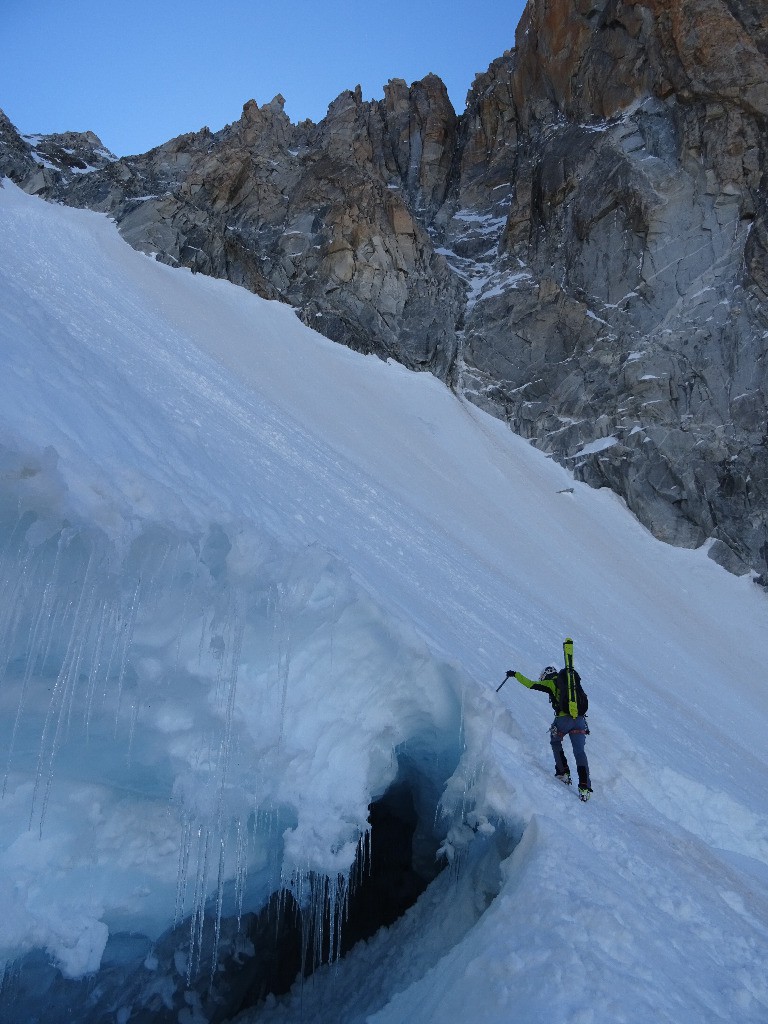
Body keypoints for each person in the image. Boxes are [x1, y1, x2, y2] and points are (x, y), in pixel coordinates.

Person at [504, 657, 593, 801]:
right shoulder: (572, 683)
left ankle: (563, 772)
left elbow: (530, 684)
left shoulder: (551, 683)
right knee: (580, 752)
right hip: (580, 720)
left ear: (546, 675)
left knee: (556, 741)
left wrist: (515, 674)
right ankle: (584, 787)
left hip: (563, 720)